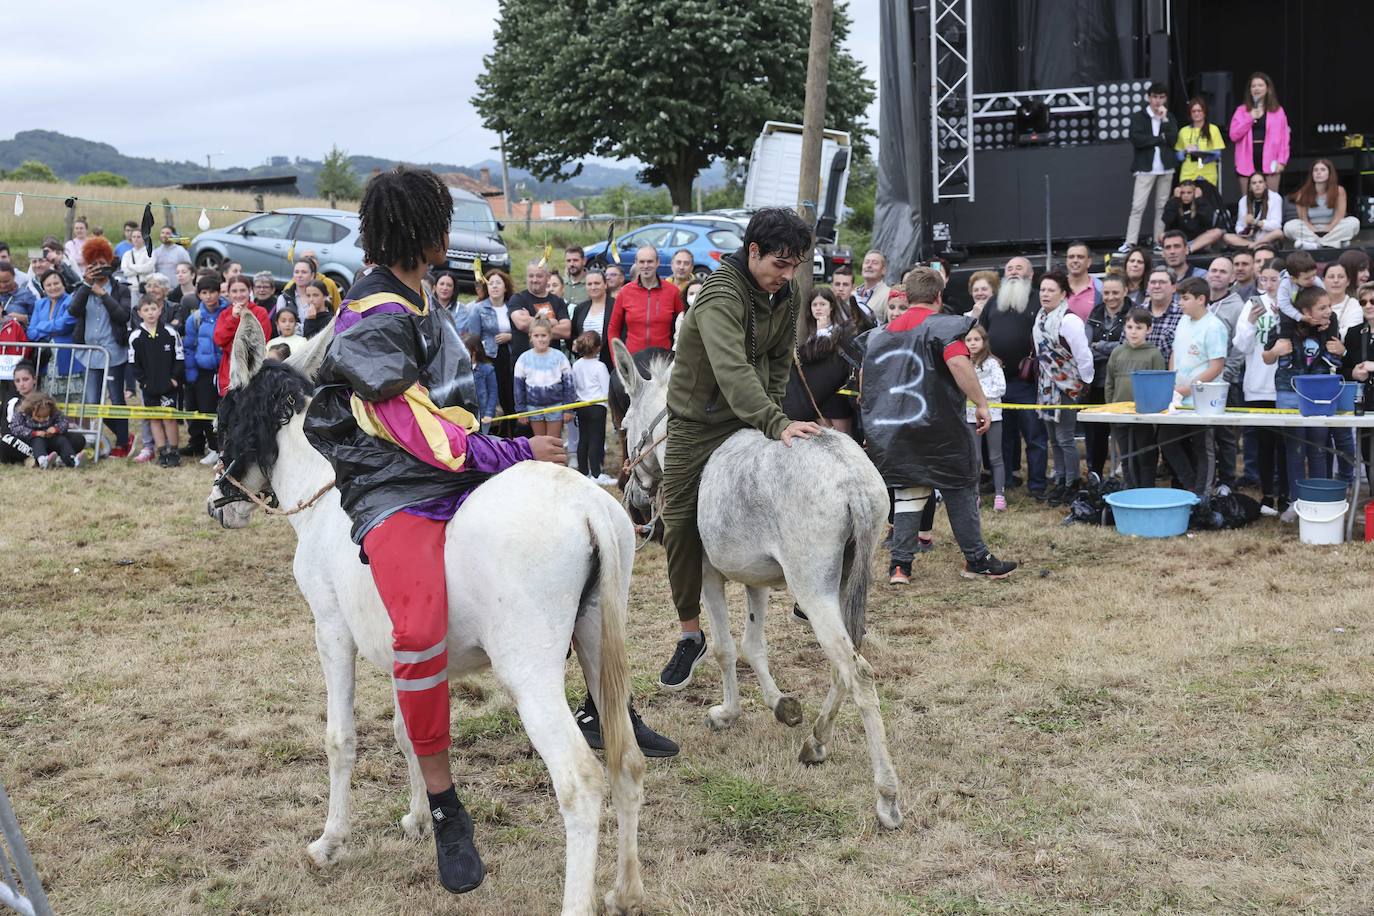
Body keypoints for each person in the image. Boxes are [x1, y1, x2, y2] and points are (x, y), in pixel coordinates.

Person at [305, 169, 676, 894]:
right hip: (395, 487)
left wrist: (507, 456)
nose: (450, 236)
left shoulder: (422, 297)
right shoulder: (366, 317)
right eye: (441, 223)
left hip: (454, 467)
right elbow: (415, 431)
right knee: (416, 632)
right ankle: (445, 805)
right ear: (418, 232)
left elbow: (451, 413)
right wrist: (513, 453)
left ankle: (609, 704)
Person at [656, 208, 822, 689]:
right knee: (678, 522)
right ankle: (690, 633)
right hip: (698, 422)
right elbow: (732, 372)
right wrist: (775, 421)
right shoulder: (719, 295)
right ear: (753, 251)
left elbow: (779, 359)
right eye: (779, 264)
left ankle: (808, 585)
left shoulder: (786, 291)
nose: (787, 275)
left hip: (753, 412)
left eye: (794, 266)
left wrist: (773, 414)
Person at [863, 268, 1017, 583]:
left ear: (907, 296)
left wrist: (873, 419)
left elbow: (867, 379)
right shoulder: (944, 327)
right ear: (938, 296)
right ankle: (977, 559)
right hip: (940, 427)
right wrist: (982, 403)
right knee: (960, 484)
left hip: (895, 429)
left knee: (908, 490)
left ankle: (900, 566)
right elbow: (958, 363)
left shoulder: (881, 334)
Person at [1266, 284, 1343, 521]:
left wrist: (1341, 349)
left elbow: (1338, 357)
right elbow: (1266, 357)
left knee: (1318, 449)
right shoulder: (1284, 327)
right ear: (1306, 312)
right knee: (1295, 450)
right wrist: (1275, 351)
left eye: (1329, 306)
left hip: (1320, 393)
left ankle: (1319, 500)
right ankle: (1295, 501)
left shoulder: (1331, 327)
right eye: (1322, 308)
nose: (1328, 311)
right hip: (1289, 393)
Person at [981, 256, 1047, 497]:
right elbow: (981, 334)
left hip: (1027, 382)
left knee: (1034, 435)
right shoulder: (993, 302)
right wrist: (989, 356)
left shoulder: (1038, 299)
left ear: (1030, 274)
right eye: (1009, 268)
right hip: (997, 382)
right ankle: (1005, 480)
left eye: (1019, 268)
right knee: (1003, 436)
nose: (1013, 272)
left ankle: (1037, 485)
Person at [1032, 271, 1094, 505]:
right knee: (1053, 438)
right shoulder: (1039, 319)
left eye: (1051, 290)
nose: (1045, 294)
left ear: (1063, 294)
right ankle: (1060, 479)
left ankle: (1072, 482)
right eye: (1043, 290)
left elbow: (1083, 354)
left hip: (1067, 385)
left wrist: (1085, 382)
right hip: (1046, 386)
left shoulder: (1069, 320)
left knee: (1065, 437)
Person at [67, 237, 133, 457]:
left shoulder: (121, 289)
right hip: (89, 353)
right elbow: (73, 311)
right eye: (93, 264)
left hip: (113, 352)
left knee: (116, 399)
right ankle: (119, 435)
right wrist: (87, 286)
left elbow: (123, 316)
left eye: (102, 263)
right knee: (93, 401)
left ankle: (123, 442)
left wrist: (103, 295)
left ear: (110, 263)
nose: (98, 268)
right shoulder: (82, 288)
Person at [1163, 277, 1227, 497]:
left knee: (1202, 446)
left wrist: (1188, 388)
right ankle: (1191, 485)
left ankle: (1204, 495)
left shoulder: (1214, 326)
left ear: (1201, 299)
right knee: (1166, 440)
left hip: (1203, 400)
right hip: (1178, 397)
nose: (1180, 303)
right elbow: (1175, 352)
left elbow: (1216, 366)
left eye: (1185, 298)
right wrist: (1173, 382)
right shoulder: (1183, 321)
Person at [1233, 260, 1286, 513]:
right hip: (1257, 384)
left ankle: (1286, 494)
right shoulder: (1252, 305)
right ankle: (1267, 494)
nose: (1269, 284)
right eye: (1264, 279)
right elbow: (1241, 346)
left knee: (1285, 444)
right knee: (1264, 443)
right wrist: (1251, 322)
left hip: (1285, 386)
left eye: (1274, 279)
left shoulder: (1291, 304)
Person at [1105, 309, 1167, 487]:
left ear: (1149, 329)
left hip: (1144, 416)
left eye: (1139, 328)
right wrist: (1111, 408)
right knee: (1126, 456)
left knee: (1145, 454)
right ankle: (1131, 490)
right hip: (1120, 414)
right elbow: (1110, 382)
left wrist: (1153, 413)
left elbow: (1159, 385)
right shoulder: (1117, 352)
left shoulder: (1154, 354)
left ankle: (1146, 490)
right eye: (1130, 327)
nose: (1133, 332)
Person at [785, 286, 857, 436]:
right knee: (823, 433)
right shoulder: (808, 331)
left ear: (831, 307)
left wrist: (822, 330)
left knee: (842, 433)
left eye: (823, 304)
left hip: (836, 392)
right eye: (814, 305)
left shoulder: (839, 331)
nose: (818, 308)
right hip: (817, 394)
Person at [1202, 257, 1246, 486]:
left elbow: (1240, 346)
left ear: (1232, 278)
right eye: (1213, 270)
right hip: (1200, 380)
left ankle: (1227, 482)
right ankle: (1204, 479)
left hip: (1225, 381)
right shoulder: (1200, 301)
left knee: (1225, 435)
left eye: (1222, 271)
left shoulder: (1238, 307)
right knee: (1202, 434)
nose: (1217, 274)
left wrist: (1226, 374)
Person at [126, 293, 184, 467]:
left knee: (169, 418)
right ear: (139, 313)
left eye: (153, 309)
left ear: (160, 310)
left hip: (169, 386)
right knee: (155, 419)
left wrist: (174, 379)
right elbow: (134, 364)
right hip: (149, 387)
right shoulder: (135, 336)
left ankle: (173, 452)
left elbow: (179, 358)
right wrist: (143, 382)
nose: (150, 312)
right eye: (146, 310)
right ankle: (162, 452)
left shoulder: (171, 333)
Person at [1119, 82, 1177, 253]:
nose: (1158, 101)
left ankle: (1159, 241)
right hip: (1145, 167)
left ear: (1165, 98)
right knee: (1138, 206)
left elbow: (1173, 139)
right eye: (1154, 97)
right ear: (1149, 97)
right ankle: (1130, 242)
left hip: (1166, 167)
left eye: (1161, 97)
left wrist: (1164, 120)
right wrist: (1160, 138)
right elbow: (1137, 139)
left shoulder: (1169, 116)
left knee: (1162, 207)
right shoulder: (1139, 117)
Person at [1084, 273, 1130, 477]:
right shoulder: (1094, 314)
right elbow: (1085, 350)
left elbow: (1128, 347)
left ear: (1125, 291)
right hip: (1097, 383)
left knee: (1125, 432)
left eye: (1115, 293)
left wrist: (1100, 345)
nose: (1110, 297)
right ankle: (1095, 475)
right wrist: (1113, 350)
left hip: (1123, 383)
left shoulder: (1134, 313)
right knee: (1097, 434)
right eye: (1107, 293)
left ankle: (1128, 475)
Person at [2, 361, 87, 464]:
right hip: (25, 439)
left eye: (25, 379)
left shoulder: (44, 399)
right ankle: (41, 458)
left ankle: (64, 458)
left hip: (49, 438)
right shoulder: (14, 402)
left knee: (77, 439)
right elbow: (13, 429)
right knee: (6, 442)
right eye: (17, 381)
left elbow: (61, 419)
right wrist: (34, 433)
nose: (22, 384)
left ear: (34, 380)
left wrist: (55, 429)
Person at [606, 246, 684, 357]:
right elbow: (613, 329)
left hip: (662, 360)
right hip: (633, 359)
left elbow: (683, 326)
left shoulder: (672, 292)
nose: (646, 266)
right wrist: (618, 359)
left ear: (657, 262)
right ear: (636, 263)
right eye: (642, 262)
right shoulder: (625, 292)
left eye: (650, 261)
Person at [181, 274, 227, 460]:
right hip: (204, 371)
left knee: (226, 409)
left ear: (219, 293)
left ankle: (226, 446)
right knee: (206, 409)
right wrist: (191, 373)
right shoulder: (195, 319)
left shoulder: (228, 313)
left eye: (212, 292)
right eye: (204, 293)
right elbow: (189, 348)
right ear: (199, 294)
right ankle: (214, 447)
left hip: (224, 370)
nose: (208, 296)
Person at [467, 268, 517, 434]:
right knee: (492, 396)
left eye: (498, 283)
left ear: (505, 287)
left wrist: (510, 337)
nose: (494, 286)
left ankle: (512, 433)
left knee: (509, 395)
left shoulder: (512, 307)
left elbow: (521, 332)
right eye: (491, 283)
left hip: (509, 356)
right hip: (489, 357)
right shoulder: (478, 309)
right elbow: (473, 338)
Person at [964, 324, 1007, 510]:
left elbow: (1000, 387)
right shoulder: (963, 364)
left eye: (976, 339)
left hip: (993, 415)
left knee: (995, 456)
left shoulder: (992, 363)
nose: (973, 343)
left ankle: (1000, 495)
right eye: (968, 340)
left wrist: (977, 395)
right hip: (969, 417)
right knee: (975, 458)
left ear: (984, 341)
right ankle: (975, 495)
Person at [1228, 71, 1290, 197]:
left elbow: (1284, 139)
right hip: (1246, 161)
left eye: (1260, 85)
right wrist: (1250, 118)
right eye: (1253, 86)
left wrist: (1282, 161)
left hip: (1271, 160)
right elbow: (1233, 135)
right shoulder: (1242, 110)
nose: (1256, 88)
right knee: (1247, 200)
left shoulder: (1278, 111)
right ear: (1250, 90)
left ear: (1267, 89)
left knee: (1272, 199)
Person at [513, 318, 574, 439]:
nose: (540, 339)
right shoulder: (523, 359)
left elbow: (569, 384)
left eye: (544, 335)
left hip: (556, 406)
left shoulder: (560, 357)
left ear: (550, 336)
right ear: (530, 337)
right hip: (533, 407)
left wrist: (568, 409)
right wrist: (521, 410)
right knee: (540, 441)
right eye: (536, 336)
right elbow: (518, 387)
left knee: (554, 440)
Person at [213, 275, 272, 396]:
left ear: (249, 291)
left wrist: (231, 345)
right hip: (229, 369)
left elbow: (262, 340)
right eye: (234, 291)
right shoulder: (225, 314)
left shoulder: (260, 312)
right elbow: (219, 339)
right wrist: (233, 318)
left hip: (254, 368)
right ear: (229, 293)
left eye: (242, 290)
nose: (239, 295)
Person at [1284, 159, 1361, 250]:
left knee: (1353, 222)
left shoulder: (1339, 191)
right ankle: (1334, 243)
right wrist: (1312, 229)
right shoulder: (1303, 192)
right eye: (1315, 170)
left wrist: (1329, 228)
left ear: (1330, 173)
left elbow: (1339, 217)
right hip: (1311, 229)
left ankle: (1315, 244)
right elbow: (1303, 219)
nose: (1318, 173)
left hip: (1333, 228)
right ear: (1312, 174)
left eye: (1323, 170)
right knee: (1289, 226)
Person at [26, 271, 79, 402]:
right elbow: (31, 333)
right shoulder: (40, 304)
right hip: (45, 361)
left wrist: (41, 326)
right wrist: (52, 328)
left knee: (73, 401)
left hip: (68, 359)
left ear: (63, 284)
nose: (53, 287)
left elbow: (64, 325)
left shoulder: (71, 301)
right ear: (43, 288)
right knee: (48, 402)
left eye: (56, 283)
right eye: (48, 285)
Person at [1341, 282, 1374, 491]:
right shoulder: (1355, 333)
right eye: (1363, 302)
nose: (1368, 305)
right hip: (1365, 402)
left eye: (1373, 301)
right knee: (1369, 455)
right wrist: (1353, 373)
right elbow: (1343, 369)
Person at [571, 330, 613, 484]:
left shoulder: (576, 365)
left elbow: (574, 386)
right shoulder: (600, 366)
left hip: (581, 406)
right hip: (597, 407)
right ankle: (596, 474)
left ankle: (583, 472)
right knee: (596, 439)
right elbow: (606, 389)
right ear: (598, 348)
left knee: (583, 439)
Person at [508, 261, 571, 361]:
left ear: (548, 277)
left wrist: (532, 322)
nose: (534, 280)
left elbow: (566, 331)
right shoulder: (518, 299)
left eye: (539, 276)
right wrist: (552, 322)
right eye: (531, 276)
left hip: (552, 362)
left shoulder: (558, 301)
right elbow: (522, 323)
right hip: (524, 363)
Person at [11, 390, 81, 468]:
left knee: (62, 440)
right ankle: (42, 460)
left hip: (51, 438)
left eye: (45, 417)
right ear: (31, 410)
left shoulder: (55, 413)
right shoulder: (22, 414)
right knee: (38, 441)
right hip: (32, 441)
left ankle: (71, 459)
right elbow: (15, 428)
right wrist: (34, 433)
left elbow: (64, 422)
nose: (41, 420)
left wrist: (56, 429)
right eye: (38, 416)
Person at [1223, 172, 1285, 251]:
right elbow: (1239, 225)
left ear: (1265, 185)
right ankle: (1256, 246)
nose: (1257, 185)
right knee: (1226, 237)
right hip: (1249, 238)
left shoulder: (1275, 198)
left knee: (1278, 233)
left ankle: (1253, 246)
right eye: (1254, 183)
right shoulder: (1243, 200)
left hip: (1267, 237)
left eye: (1260, 182)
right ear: (1250, 187)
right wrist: (1243, 232)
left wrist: (1256, 222)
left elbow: (1277, 225)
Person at [1175, 96, 1226, 188]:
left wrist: (1203, 155)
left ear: (1204, 112)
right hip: (1188, 173)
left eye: (1199, 111)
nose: (1196, 114)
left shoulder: (1213, 129)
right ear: (1190, 113)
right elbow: (1178, 156)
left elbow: (1218, 153)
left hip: (1207, 173)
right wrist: (1185, 151)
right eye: (1193, 111)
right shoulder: (1183, 131)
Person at [571, 268, 614, 375]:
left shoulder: (615, 306)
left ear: (605, 285)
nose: (593, 287)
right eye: (589, 284)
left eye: (597, 283)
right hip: (585, 367)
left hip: (609, 364)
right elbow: (573, 334)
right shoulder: (580, 309)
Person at [1161, 181, 1224, 253]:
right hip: (1178, 240)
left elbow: (1208, 221)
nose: (1186, 196)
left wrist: (1199, 200)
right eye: (1182, 193)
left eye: (1189, 193)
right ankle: (1181, 249)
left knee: (1217, 232)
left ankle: (1188, 250)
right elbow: (1167, 220)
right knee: (1161, 236)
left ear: (1194, 193)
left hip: (1198, 241)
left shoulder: (1202, 203)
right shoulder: (1173, 203)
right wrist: (1176, 200)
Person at [461, 331, 499, 434]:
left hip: (482, 416)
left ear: (474, 351)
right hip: (466, 416)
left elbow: (493, 393)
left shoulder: (488, 369)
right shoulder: (459, 371)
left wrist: (489, 413)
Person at [1143, 267, 1183, 363]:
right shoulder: (1136, 312)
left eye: (1162, 282)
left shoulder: (1184, 314)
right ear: (1147, 287)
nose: (1157, 286)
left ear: (1174, 288)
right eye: (1153, 282)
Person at [1064, 241, 1101, 320]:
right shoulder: (1057, 288)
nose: (1075, 260)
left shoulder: (1100, 289)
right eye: (1071, 257)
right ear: (1066, 261)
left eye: (1080, 257)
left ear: (1089, 262)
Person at [854, 249, 891, 325]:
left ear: (883, 270)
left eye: (875, 263)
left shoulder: (888, 295)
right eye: (866, 262)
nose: (869, 265)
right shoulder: (853, 293)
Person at [119, 229, 155, 296]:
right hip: (132, 287)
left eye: (138, 237)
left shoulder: (150, 252)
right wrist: (141, 269)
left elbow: (149, 268)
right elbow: (125, 271)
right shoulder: (127, 254)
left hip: (147, 287)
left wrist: (131, 266)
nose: (136, 239)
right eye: (134, 237)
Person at [0, 263, 36, 329]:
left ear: (14, 277)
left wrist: (24, 319)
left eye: (6, 282)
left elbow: (40, 319)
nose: (2, 285)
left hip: (18, 334)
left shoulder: (26, 295)